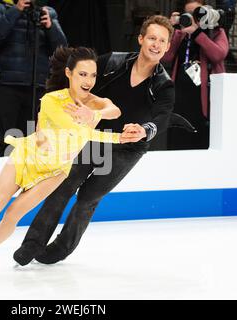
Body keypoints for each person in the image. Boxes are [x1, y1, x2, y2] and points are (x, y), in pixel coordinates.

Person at [0, 46, 125, 277]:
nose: (88, 80)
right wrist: (115, 135)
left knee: (13, 213)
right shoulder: (53, 100)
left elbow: (114, 110)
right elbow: (79, 132)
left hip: (54, 171)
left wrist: (95, 114)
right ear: (69, 74)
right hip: (29, 157)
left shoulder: (96, 102)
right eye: (82, 74)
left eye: (93, 75)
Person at [13, 15, 176, 266]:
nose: (156, 44)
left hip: (128, 148)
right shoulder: (113, 61)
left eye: (162, 41)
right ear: (141, 39)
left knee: (89, 197)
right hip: (92, 138)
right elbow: (80, 79)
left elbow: (163, 117)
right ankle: (32, 244)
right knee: (63, 185)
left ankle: (61, 248)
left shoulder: (164, 84)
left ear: (167, 46)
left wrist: (145, 130)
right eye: (152, 38)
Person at [0, 0, 67, 157]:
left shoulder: (47, 12)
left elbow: (62, 50)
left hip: (37, 86)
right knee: (4, 138)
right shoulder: (1, 8)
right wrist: (16, 10)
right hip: (8, 84)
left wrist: (51, 27)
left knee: (33, 138)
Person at [164, 0, 229, 150]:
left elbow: (218, 54)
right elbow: (166, 57)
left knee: (202, 142)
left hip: (204, 101)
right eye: (188, 13)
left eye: (197, 13)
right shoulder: (181, 34)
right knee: (178, 138)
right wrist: (174, 29)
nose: (192, 17)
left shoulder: (216, 32)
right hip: (180, 99)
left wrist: (197, 33)